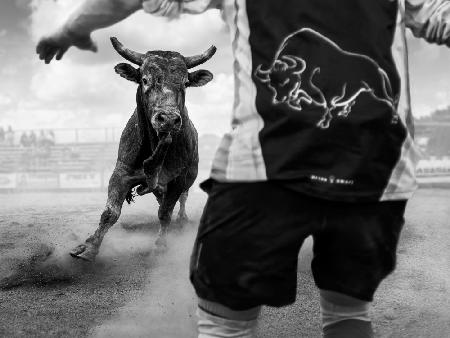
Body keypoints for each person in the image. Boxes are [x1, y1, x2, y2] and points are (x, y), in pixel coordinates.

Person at [36, 1, 450, 337]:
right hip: (375, 173)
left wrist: (70, 28)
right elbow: (440, 16)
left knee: (223, 318)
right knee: (348, 310)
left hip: (266, 170)